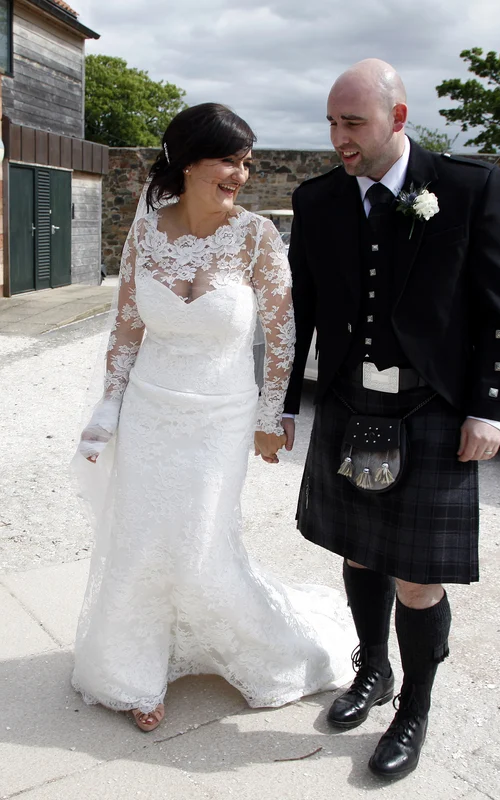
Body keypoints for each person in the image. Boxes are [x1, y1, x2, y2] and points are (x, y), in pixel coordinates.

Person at [72, 103, 354, 733]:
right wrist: (107, 409)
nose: (240, 175)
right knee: (142, 540)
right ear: (187, 162)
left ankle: (267, 651)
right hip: (150, 411)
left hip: (221, 417)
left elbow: (283, 333)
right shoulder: (146, 232)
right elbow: (126, 328)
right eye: (228, 160)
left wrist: (270, 413)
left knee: (200, 542)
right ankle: (133, 671)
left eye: (246, 163)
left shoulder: (257, 236)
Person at [281, 60, 500, 781]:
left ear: (397, 117)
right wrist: (283, 403)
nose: (339, 138)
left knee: (419, 577)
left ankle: (413, 709)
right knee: (359, 551)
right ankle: (373, 672)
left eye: (353, 123)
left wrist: (489, 408)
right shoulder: (318, 199)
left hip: (432, 407)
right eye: (332, 122)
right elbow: (299, 310)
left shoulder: (467, 186)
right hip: (351, 403)